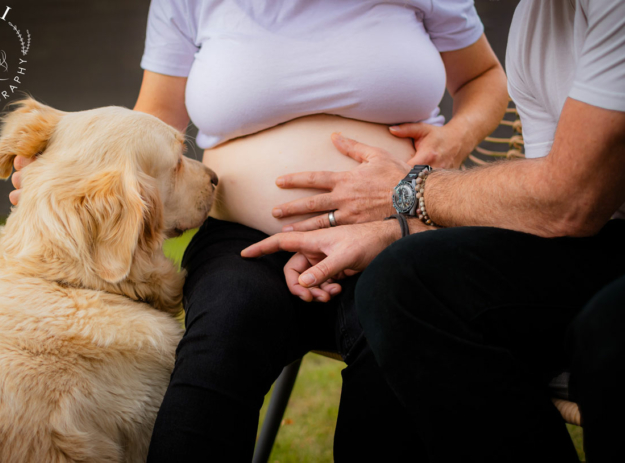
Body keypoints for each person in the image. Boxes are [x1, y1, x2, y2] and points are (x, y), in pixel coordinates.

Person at [10, 1, 508, 460]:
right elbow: (153, 118)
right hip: (243, 239)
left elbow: (484, 77)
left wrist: (452, 142)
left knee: (393, 349)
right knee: (223, 335)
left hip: (400, 231)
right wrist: (64, 176)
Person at [242, 0, 625, 461]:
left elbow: (571, 200)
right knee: (403, 280)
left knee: (607, 335)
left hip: (594, 232)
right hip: (602, 238)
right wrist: (393, 233)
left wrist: (406, 189)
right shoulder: (538, 20)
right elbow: (542, 218)